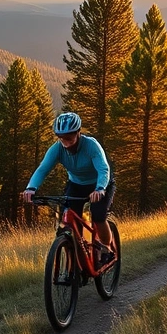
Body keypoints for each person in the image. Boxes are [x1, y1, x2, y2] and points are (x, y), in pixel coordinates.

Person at [22, 112, 116, 264]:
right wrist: (31, 188)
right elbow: (42, 169)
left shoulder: (91, 146)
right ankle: (75, 266)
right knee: (69, 225)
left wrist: (100, 189)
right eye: (61, 137)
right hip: (76, 185)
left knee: (98, 217)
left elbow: (103, 169)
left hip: (100, 184)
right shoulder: (57, 149)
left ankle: (106, 248)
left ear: (78, 133)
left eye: (69, 137)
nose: (65, 142)